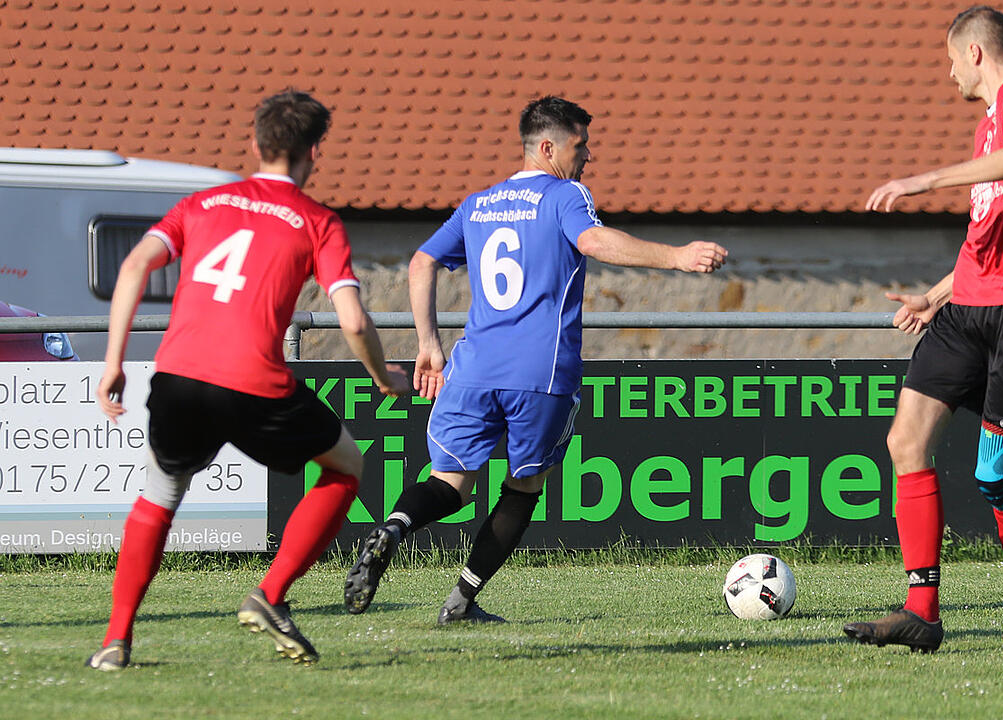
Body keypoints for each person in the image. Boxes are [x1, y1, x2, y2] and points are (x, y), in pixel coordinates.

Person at [343, 95, 728, 624]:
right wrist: (677, 257)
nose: (587, 155)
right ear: (547, 147)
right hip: (539, 373)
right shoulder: (566, 195)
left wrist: (427, 344)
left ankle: (394, 528)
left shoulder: (477, 204)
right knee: (524, 487)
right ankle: (460, 603)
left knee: (448, 482)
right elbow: (593, 240)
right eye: (580, 144)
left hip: (471, 369)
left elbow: (422, 261)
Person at [86, 90, 410, 670]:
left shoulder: (203, 203)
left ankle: (115, 642)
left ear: (255, 143)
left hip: (179, 378)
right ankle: (271, 593)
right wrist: (384, 376)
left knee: (160, 495)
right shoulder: (316, 221)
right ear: (315, 152)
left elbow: (134, 264)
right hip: (254, 382)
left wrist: (113, 362)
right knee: (346, 465)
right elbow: (355, 319)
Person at [843, 6, 1003, 652]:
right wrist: (935, 295)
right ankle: (923, 612)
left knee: (992, 479)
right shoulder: (986, 130)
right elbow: (988, 236)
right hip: (965, 313)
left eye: (950, 59)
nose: (948, 73)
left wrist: (924, 181)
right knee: (904, 440)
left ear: (975, 54)